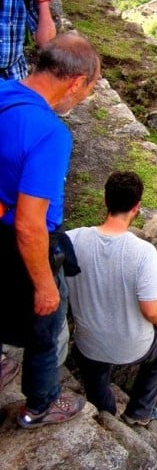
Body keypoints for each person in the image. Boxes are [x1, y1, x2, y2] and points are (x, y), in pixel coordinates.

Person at [0, 32, 100, 429]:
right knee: (46, 325)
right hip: (17, 242)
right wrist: (44, 284)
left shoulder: (4, 91)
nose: (84, 97)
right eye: (88, 89)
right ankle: (40, 405)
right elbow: (30, 224)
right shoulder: (49, 132)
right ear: (75, 82)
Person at [66, 171, 157, 426]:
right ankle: (138, 412)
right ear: (136, 208)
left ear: (105, 199)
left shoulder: (72, 239)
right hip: (133, 347)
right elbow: (151, 311)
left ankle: (106, 412)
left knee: (95, 376)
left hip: (88, 344)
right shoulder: (144, 253)